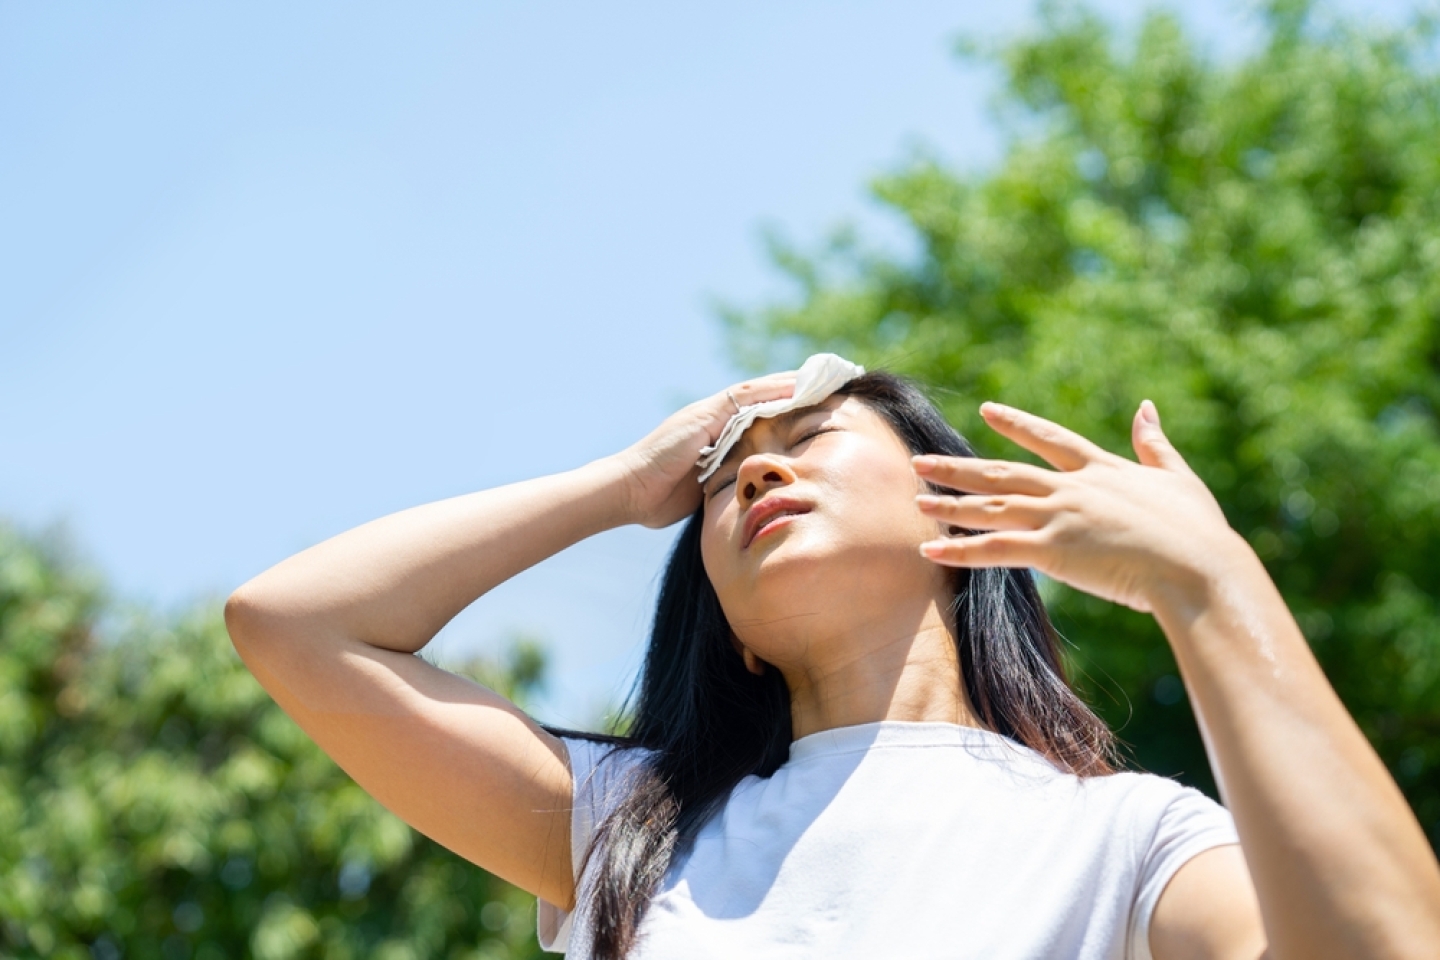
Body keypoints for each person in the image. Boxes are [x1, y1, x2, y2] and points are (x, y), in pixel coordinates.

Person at [225, 359, 1440, 960]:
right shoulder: (631, 834)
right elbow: (293, 627)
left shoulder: (1127, 840)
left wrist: (1212, 585)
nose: (755, 467)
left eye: (810, 436)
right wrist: (621, 484)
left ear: (956, 516)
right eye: (722, 477)